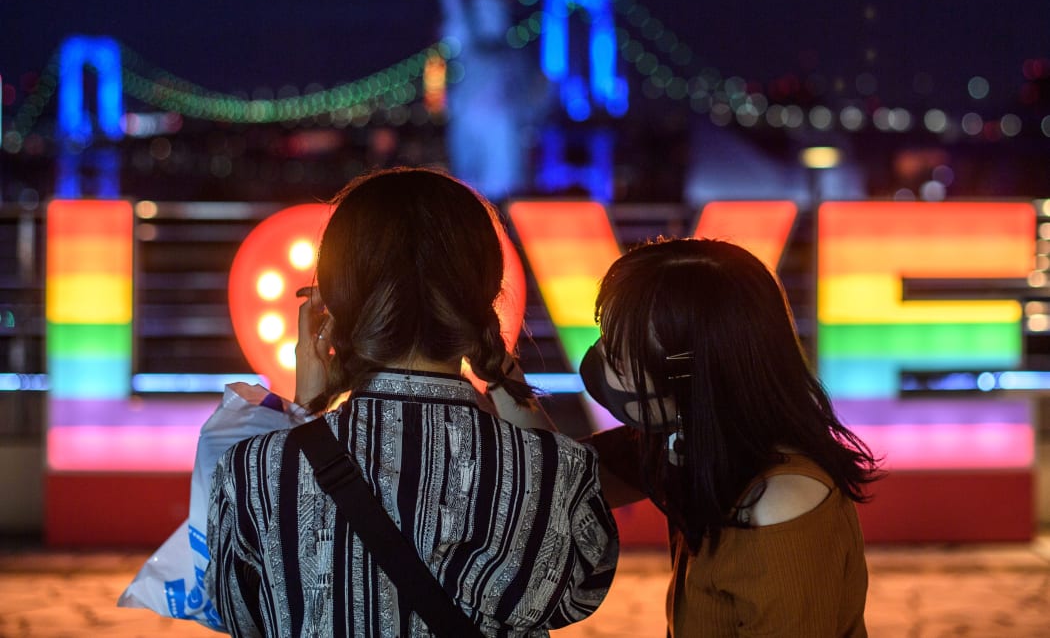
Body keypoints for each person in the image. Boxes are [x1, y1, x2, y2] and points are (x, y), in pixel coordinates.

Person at [205, 167, 618, 637]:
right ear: (487, 294)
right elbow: (579, 591)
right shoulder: (554, 469)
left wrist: (305, 407)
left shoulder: (256, 470)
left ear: (335, 301)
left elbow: (240, 617)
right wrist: (501, 372)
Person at [577, 238, 881, 637]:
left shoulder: (780, 502)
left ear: (692, 374)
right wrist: (498, 372)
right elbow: (551, 476)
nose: (601, 360)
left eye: (618, 354)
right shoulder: (693, 444)